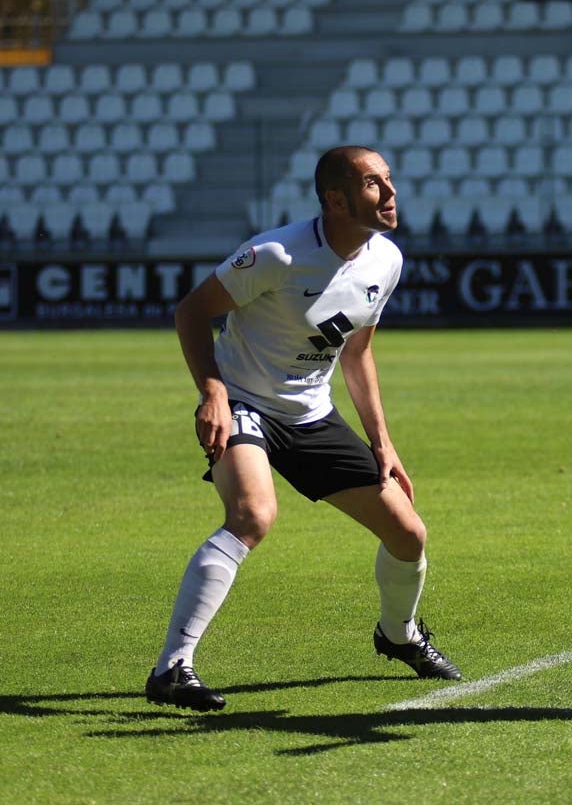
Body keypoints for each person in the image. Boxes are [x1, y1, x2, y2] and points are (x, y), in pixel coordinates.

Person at [145, 145, 460, 712]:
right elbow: (192, 311)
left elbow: (358, 353)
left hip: (312, 415)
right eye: (373, 184)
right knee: (251, 516)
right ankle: (173, 667)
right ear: (336, 200)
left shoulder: (386, 260)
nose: (390, 193)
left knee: (409, 534)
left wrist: (382, 442)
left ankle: (399, 635)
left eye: (388, 180)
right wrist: (213, 391)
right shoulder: (276, 254)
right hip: (246, 403)